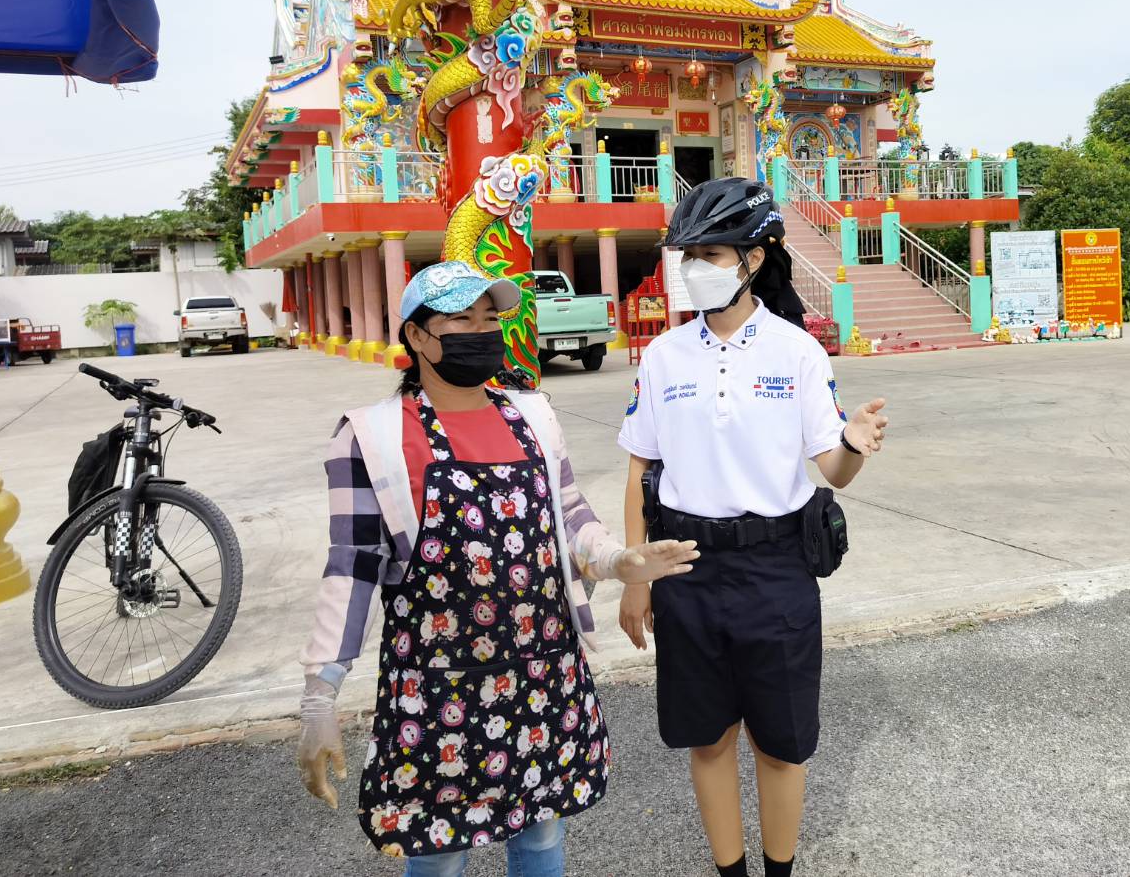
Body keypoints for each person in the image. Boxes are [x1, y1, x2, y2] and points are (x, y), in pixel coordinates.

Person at [297, 259, 699, 876]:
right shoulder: (371, 436)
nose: (482, 331)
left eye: (490, 318)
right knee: (439, 854)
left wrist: (618, 560)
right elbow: (352, 565)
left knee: (541, 840)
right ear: (417, 335)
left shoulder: (532, 415)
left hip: (543, 672)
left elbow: (570, 516)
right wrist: (320, 693)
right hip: (437, 688)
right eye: (462, 319)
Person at [617, 178, 889, 877]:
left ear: (754, 258)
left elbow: (833, 471)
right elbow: (639, 470)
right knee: (707, 739)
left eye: (710, 254)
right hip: (686, 569)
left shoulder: (796, 352)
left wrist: (854, 443)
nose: (694, 268)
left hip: (776, 570)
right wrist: (637, 577)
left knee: (780, 744)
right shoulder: (663, 356)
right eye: (688, 255)